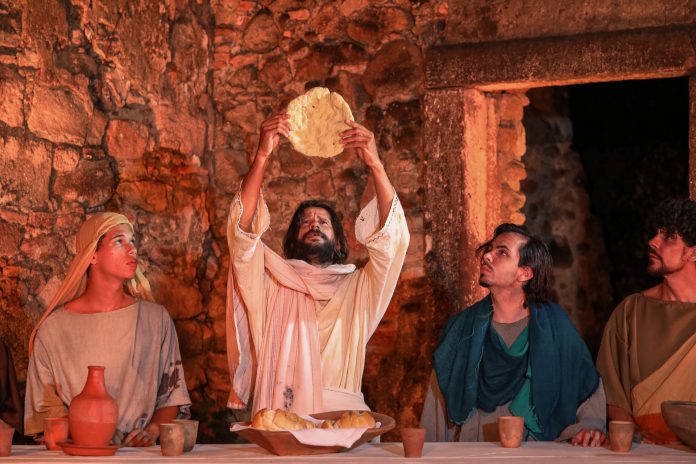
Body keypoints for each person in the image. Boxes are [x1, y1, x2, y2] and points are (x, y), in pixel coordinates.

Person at [226, 113, 409, 416]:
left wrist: (376, 164)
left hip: (344, 423)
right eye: (305, 222)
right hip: (282, 420)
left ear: (338, 242)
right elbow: (241, 235)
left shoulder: (358, 289)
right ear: (292, 239)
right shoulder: (270, 285)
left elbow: (394, 242)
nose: (313, 225)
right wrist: (261, 157)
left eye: (323, 222)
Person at [421, 223, 606, 446]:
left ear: (525, 273)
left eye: (502, 252)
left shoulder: (555, 325)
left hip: (536, 453)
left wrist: (590, 426)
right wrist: (430, 451)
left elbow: (586, 383)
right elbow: (439, 395)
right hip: (476, 451)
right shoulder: (462, 327)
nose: (487, 256)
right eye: (489, 249)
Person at [24, 213, 191, 446]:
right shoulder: (53, 331)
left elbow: (172, 396)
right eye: (119, 241)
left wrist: (151, 431)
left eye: (132, 241)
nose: (132, 249)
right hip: (78, 456)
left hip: (140, 456)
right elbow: (46, 412)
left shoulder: (156, 320)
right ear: (92, 254)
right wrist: (90, 432)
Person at [597, 197, 696, 444]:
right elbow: (612, 389)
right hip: (643, 449)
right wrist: (632, 442)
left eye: (668, 237)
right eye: (655, 234)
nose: (653, 242)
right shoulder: (630, 311)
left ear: (693, 252)